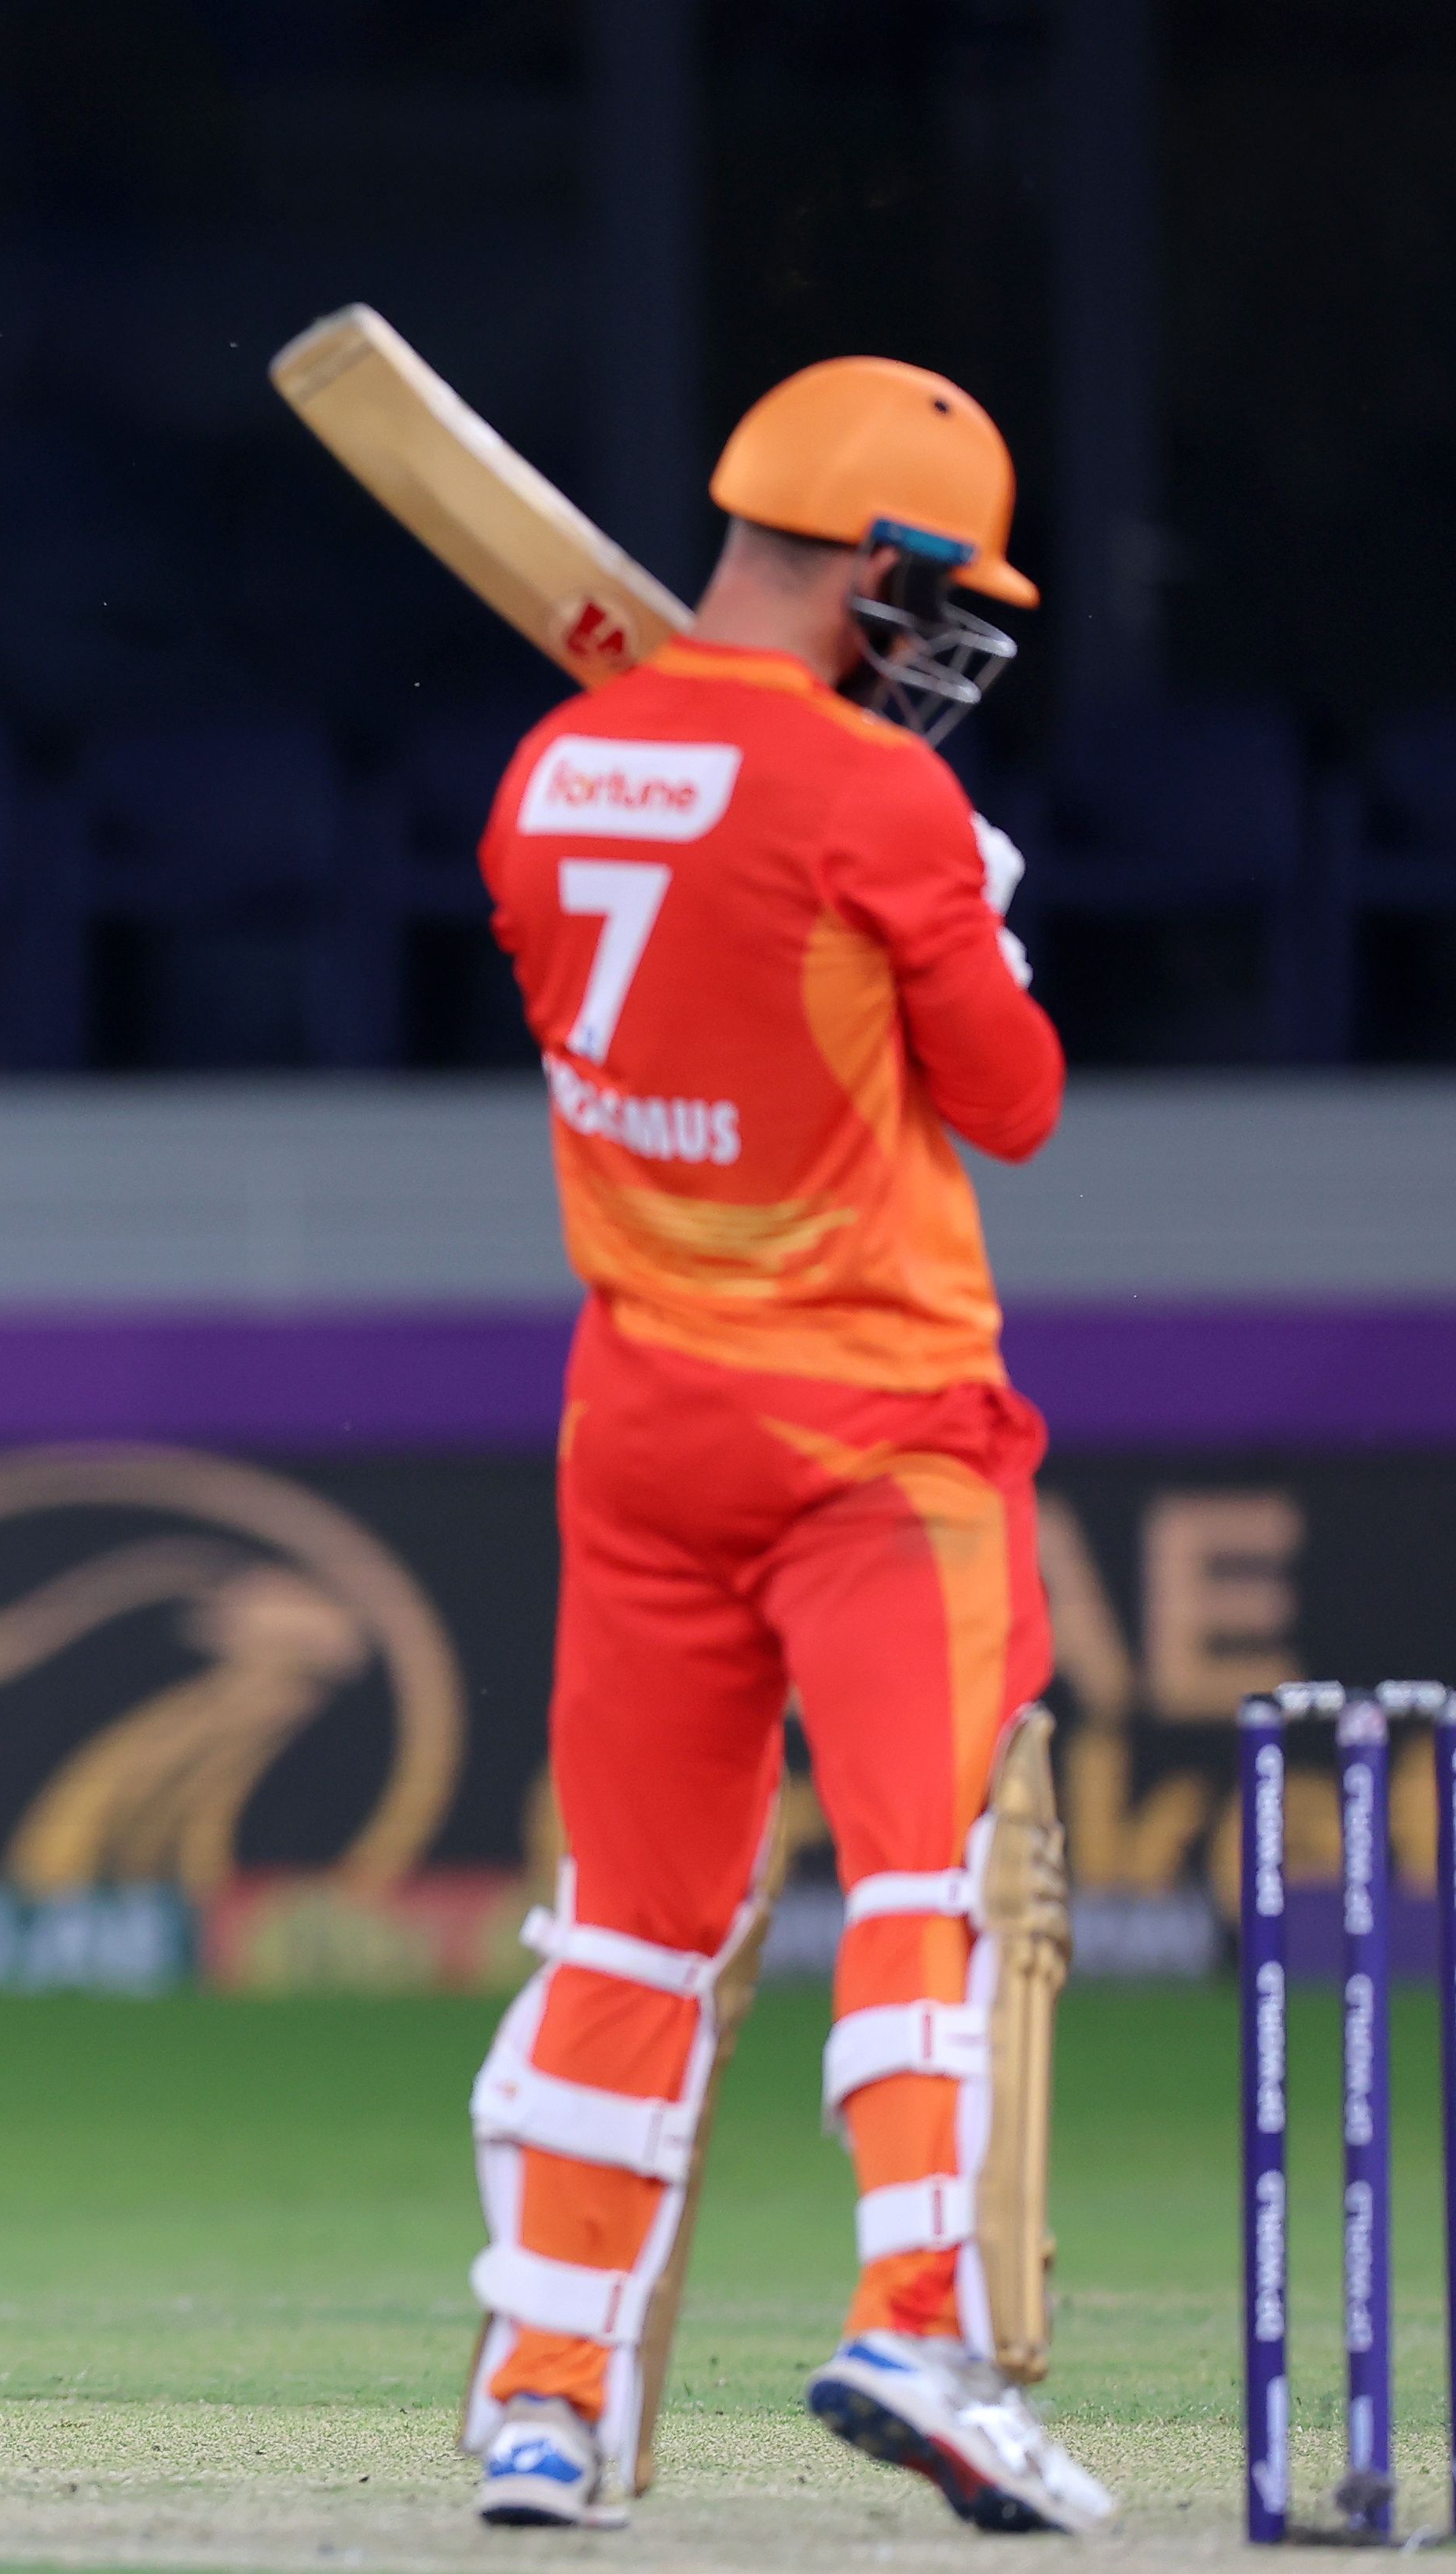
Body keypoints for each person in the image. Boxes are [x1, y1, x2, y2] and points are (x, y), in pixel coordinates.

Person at [453, 359, 1114, 2535]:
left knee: (634, 1921)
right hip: (879, 1434)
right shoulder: (885, 809)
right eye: (941, 597)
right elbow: (1009, 1100)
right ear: (883, 571)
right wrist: (971, 902)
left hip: (643, 1425)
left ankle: (544, 2393)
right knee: (922, 1881)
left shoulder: (552, 773)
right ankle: (916, 2317)